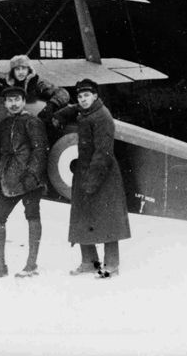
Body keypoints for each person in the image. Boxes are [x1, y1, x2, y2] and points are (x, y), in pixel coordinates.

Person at [52, 78, 130, 278]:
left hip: (102, 173)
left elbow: (103, 152)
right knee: (81, 216)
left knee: (106, 219)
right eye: (80, 96)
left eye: (87, 95)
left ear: (95, 96)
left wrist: (92, 181)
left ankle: (112, 264)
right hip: (85, 171)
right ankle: (88, 262)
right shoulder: (87, 111)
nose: (83, 99)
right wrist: (60, 114)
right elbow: (75, 109)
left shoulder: (102, 117)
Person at [0, 86, 49, 279]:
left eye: (17, 99)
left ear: (23, 101)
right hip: (8, 179)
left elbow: (40, 151)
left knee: (32, 216)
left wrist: (31, 176)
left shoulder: (33, 122)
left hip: (30, 181)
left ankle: (31, 265)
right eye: (9, 100)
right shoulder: (4, 124)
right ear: (5, 103)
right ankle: (0, 266)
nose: (13, 103)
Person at [5, 54, 69, 123]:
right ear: (13, 72)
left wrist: (52, 105)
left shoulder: (37, 82)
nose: (21, 72)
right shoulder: (9, 84)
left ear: (28, 70)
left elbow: (63, 93)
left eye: (23, 68)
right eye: (17, 69)